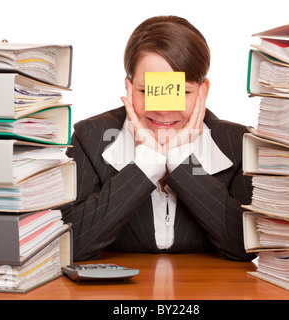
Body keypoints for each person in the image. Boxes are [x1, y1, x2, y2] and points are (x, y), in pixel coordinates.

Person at [61, 15, 256, 262]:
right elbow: (68, 244)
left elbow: (246, 248)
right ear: (129, 88)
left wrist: (181, 160)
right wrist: (146, 164)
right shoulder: (90, 138)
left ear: (203, 91)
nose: (164, 110)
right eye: (147, 91)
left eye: (182, 92)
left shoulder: (238, 144)